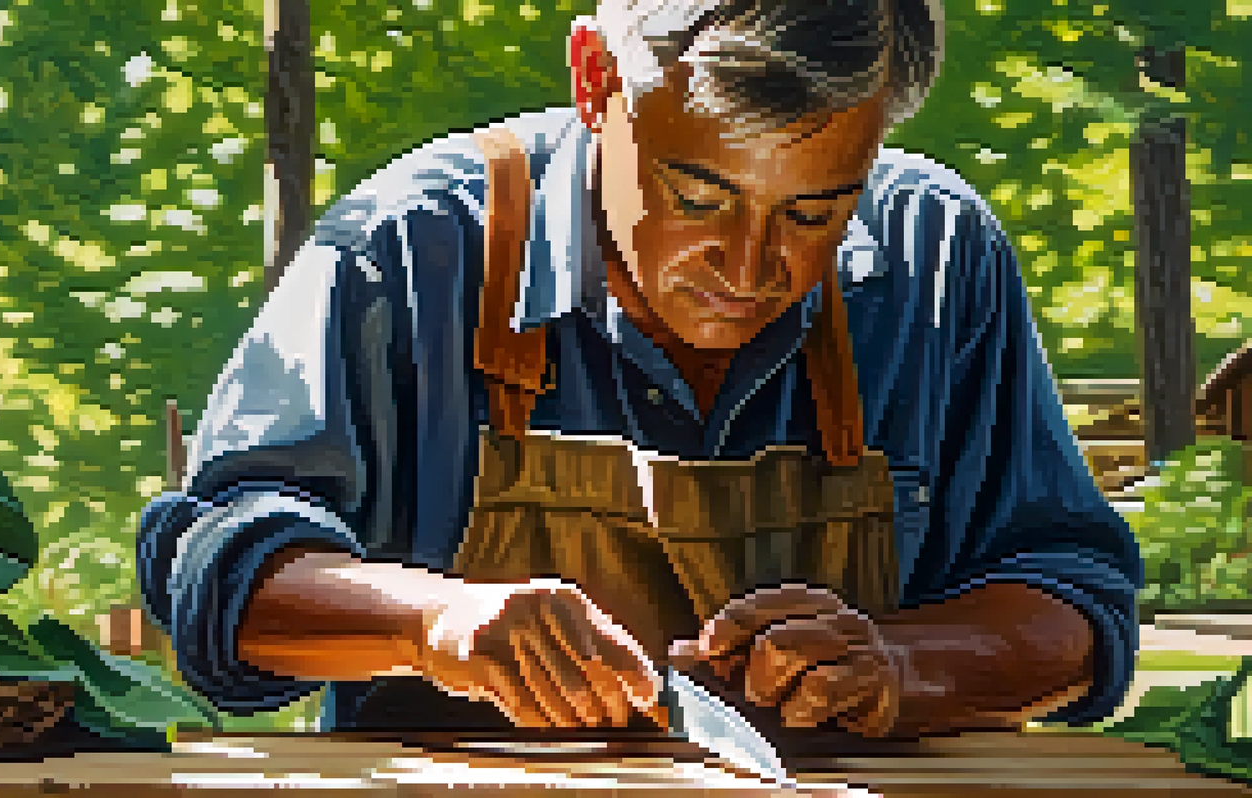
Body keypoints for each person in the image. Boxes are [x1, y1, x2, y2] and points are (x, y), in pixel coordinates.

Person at [137, 0, 1142, 739]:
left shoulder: (937, 252)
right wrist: (435, 622)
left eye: (813, 212)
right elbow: (216, 575)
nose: (752, 270)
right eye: (698, 196)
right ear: (596, 80)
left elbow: (1073, 602)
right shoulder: (410, 244)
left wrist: (906, 665)